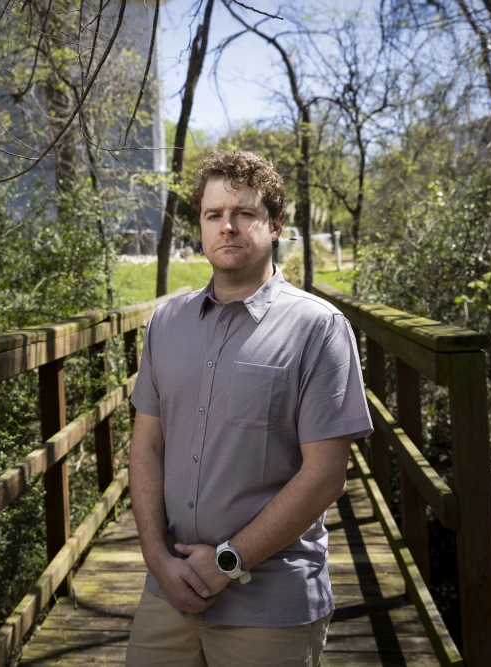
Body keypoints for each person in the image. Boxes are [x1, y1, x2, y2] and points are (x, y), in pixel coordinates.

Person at [125, 151, 373, 666]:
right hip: (167, 594)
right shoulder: (166, 323)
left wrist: (227, 562)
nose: (227, 226)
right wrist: (154, 555)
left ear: (276, 224)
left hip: (270, 604)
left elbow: (326, 476)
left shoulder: (318, 330)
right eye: (214, 215)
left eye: (244, 213)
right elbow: (147, 444)